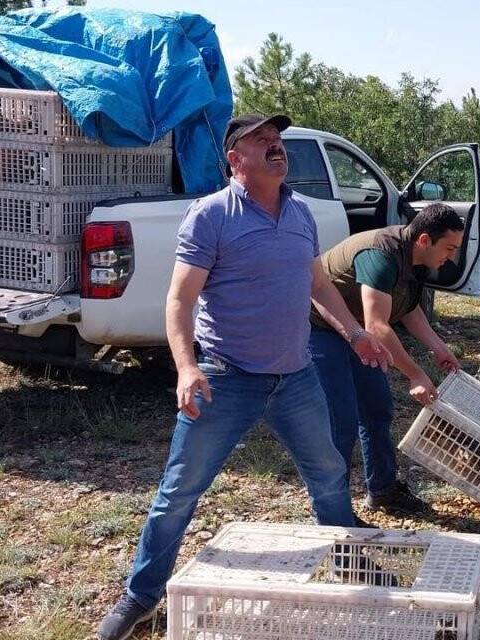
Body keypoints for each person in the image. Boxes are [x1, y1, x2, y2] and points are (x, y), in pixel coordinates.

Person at [98, 114, 391, 640]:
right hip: (226, 377)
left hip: (296, 375)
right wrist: (187, 367)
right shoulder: (210, 216)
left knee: (327, 472)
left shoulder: (300, 212)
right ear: (236, 159)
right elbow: (180, 299)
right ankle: (140, 597)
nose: (276, 148)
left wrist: (353, 334)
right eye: (262, 142)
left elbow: (318, 286)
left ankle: (349, 560)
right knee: (180, 489)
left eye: (277, 141)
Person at [308, 203, 465, 514]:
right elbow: (378, 328)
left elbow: (408, 309)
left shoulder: (417, 260)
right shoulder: (380, 255)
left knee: (377, 409)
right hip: (319, 325)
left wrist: (438, 347)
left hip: (358, 331)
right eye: (448, 248)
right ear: (424, 240)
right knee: (342, 420)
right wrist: (415, 374)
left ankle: (383, 490)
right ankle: (332, 509)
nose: (451, 256)